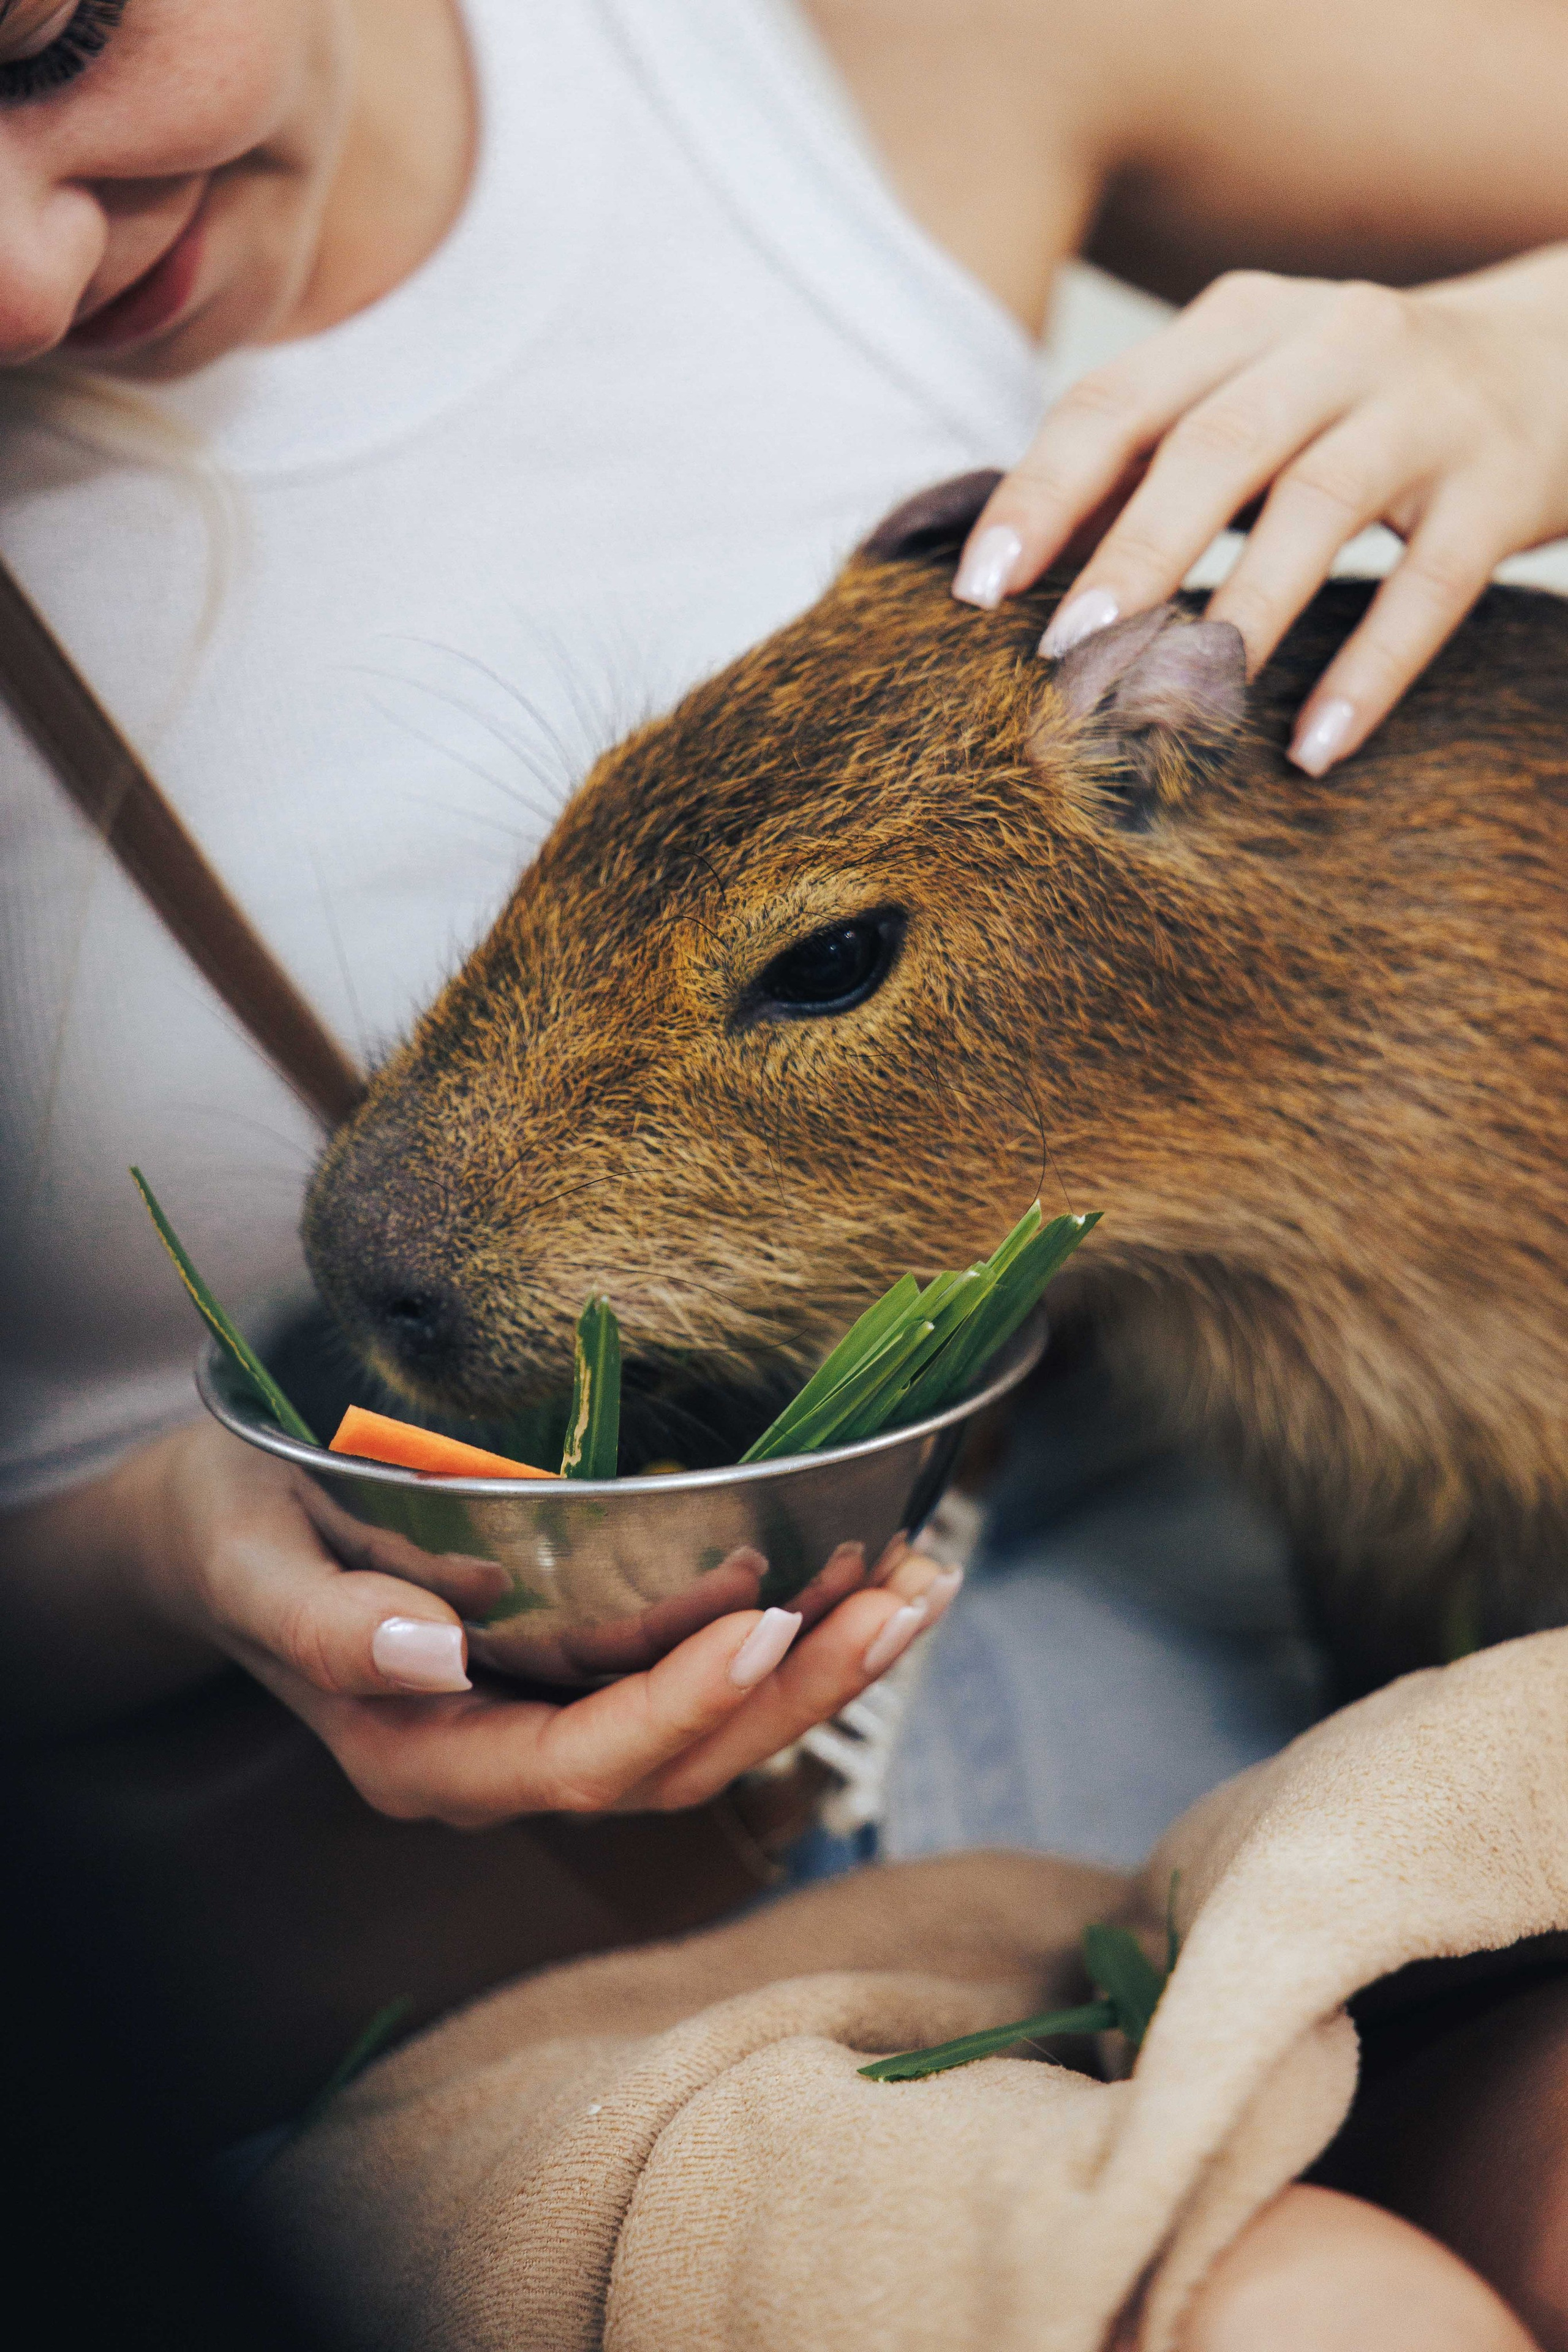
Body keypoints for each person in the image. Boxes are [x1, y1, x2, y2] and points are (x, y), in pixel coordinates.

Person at [7, 9, 1568, 2337]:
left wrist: (1512, 354)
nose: (21, 278)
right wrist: (175, 1552)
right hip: (526, 1988)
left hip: (1273, 1759)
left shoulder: (826, 57)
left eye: (59, 40)